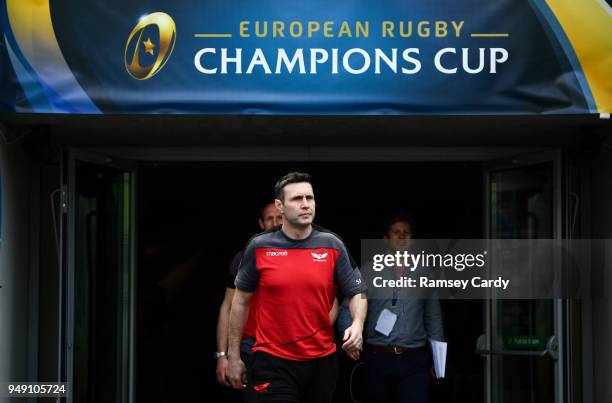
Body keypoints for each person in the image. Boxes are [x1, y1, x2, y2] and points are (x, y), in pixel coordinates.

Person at [227, 172, 367, 403]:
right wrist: (233, 356)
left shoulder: (332, 244)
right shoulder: (259, 246)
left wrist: (357, 324)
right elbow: (239, 302)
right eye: (297, 199)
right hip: (273, 360)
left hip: (322, 360)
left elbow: (357, 291)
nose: (305, 205)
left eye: (309, 198)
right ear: (280, 206)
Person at [362, 213, 444, 403]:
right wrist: (349, 339)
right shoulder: (368, 270)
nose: (401, 236)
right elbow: (348, 308)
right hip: (378, 356)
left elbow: (434, 319)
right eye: (396, 232)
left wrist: (439, 363)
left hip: (414, 360)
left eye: (406, 233)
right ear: (385, 239)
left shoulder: (425, 273)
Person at [215, 202, 283, 402]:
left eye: (279, 217)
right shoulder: (245, 256)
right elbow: (227, 306)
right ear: (261, 223)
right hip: (252, 348)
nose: (275, 223)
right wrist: (222, 355)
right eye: (269, 218)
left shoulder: (305, 254)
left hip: (292, 349)